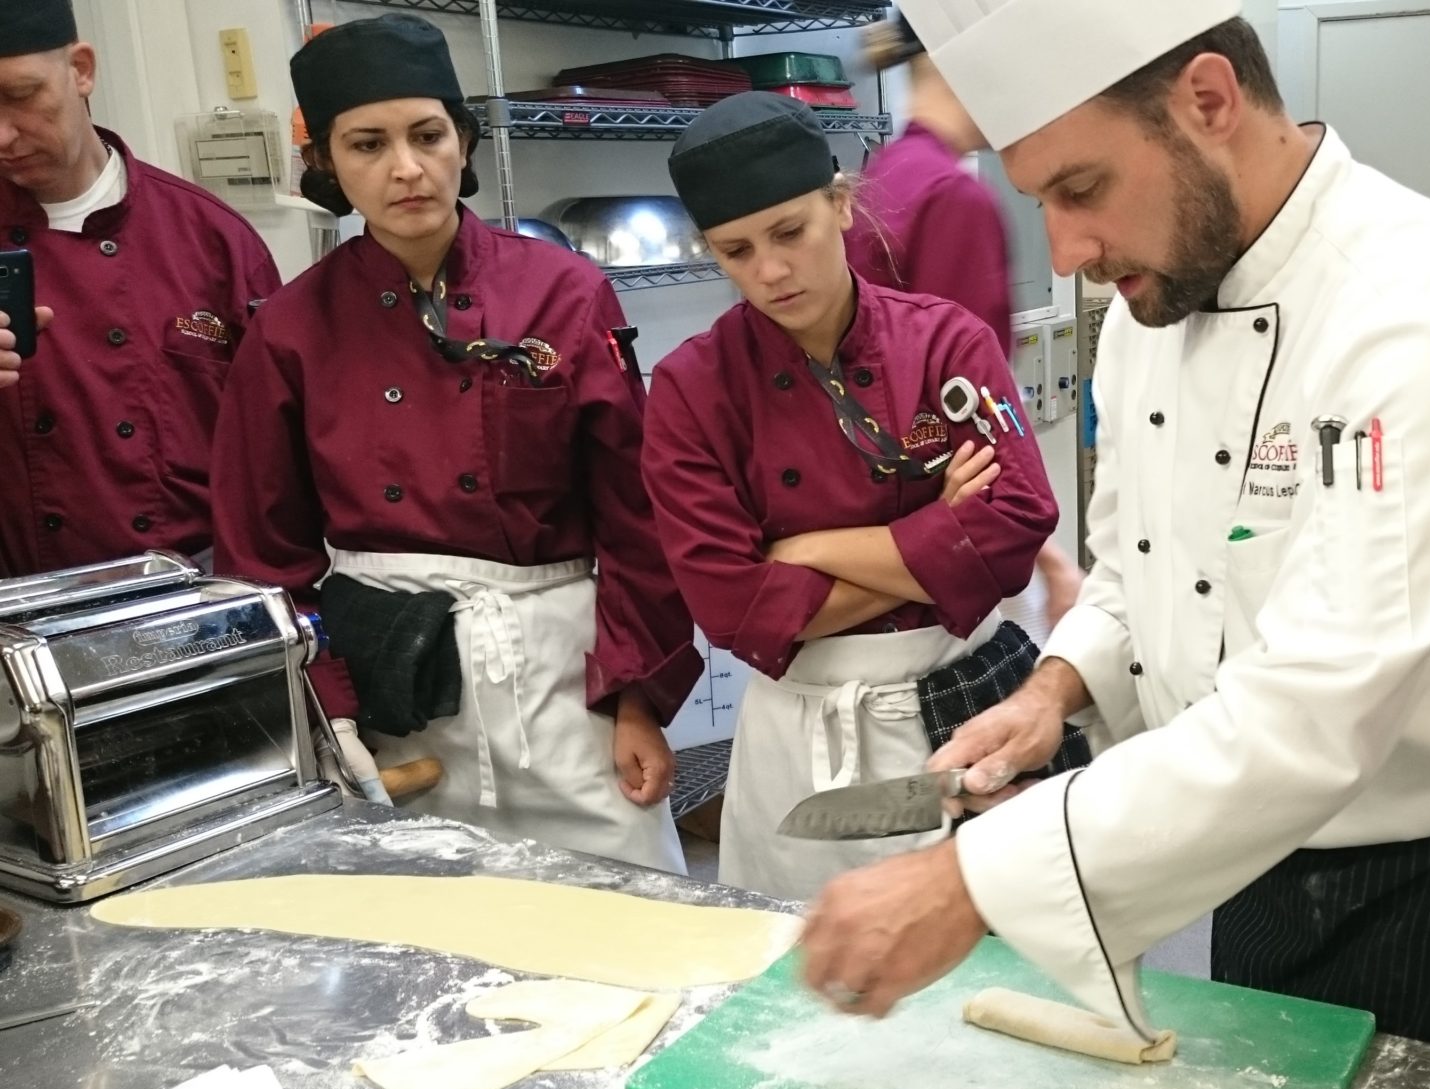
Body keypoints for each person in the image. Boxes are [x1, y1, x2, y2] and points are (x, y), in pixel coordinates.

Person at [797, 0, 1430, 1072]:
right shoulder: (1156, 304)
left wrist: (971, 881)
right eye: (1037, 199)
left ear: (1209, 100)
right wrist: (1058, 690)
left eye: (1081, 189)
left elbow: (1316, 710)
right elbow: (1138, 576)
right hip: (1244, 839)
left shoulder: (1428, 317)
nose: (1070, 250)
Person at [209, 14, 697, 873]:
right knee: (428, 957)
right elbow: (261, 555)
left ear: (462, 142)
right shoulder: (289, 330)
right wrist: (333, 712)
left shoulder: (565, 295)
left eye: (427, 135)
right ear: (326, 162)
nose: (405, 168)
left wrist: (636, 696)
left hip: (565, 679)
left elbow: (636, 517)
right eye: (367, 144)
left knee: (629, 918)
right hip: (395, 695)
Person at [643, 91, 1071, 902]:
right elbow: (731, 607)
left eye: (789, 232)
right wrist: (938, 531)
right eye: (734, 250)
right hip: (799, 731)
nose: (768, 271)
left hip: (961, 699)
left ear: (840, 206)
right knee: (803, 977)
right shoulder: (690, 390)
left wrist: (804, 552)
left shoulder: (947, 342)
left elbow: (1015, 523)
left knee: (994, 958)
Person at [0, 0, 280, 575]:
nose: (2, 134)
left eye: (21, 95)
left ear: (81, 70)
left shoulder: (213, 239)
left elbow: (276, 449)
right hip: (23, 610)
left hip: (200, 598)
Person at [852, 14, 1085, 631]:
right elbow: (971, 406)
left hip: (879, 509)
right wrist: (1051, 560)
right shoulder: (952, 197)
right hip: (950, 524)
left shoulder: (884, 177)